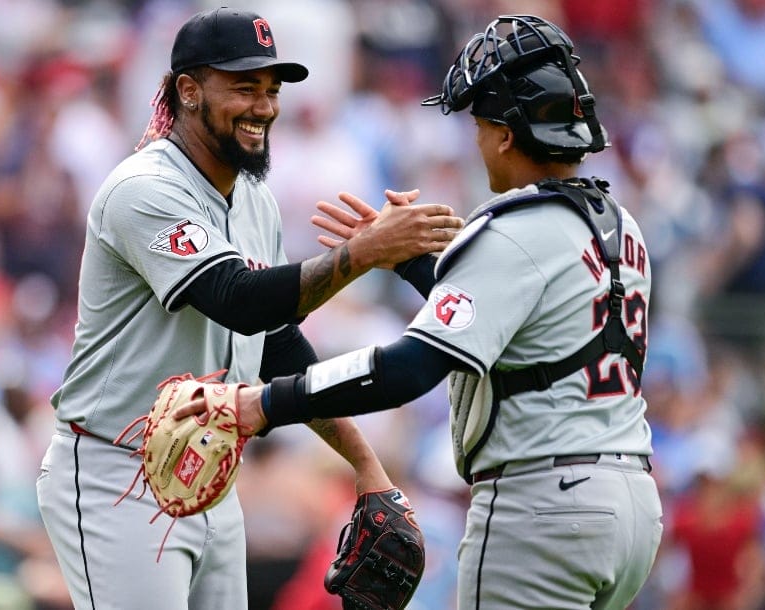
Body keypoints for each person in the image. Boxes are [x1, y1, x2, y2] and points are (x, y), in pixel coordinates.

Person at [179, 14, 664, 609]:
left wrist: (266, 402)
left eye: (479, 125)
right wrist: (401, 260)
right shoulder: (620, 227)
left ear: (506, 135)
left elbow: (409, 368)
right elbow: (513, 321)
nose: (476, 140)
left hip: (543, 506)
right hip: (631, 505)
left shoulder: (516, 229)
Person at [34, 7, 462, 610]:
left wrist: (367, 467)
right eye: (243, 87)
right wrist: (365, 251)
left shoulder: (253, 196)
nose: (264, 106)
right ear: (188, 90)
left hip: (212, 473)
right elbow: (238, 299)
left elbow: (279, 344)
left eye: (270, 89)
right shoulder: (144, 189)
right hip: (117, 472)